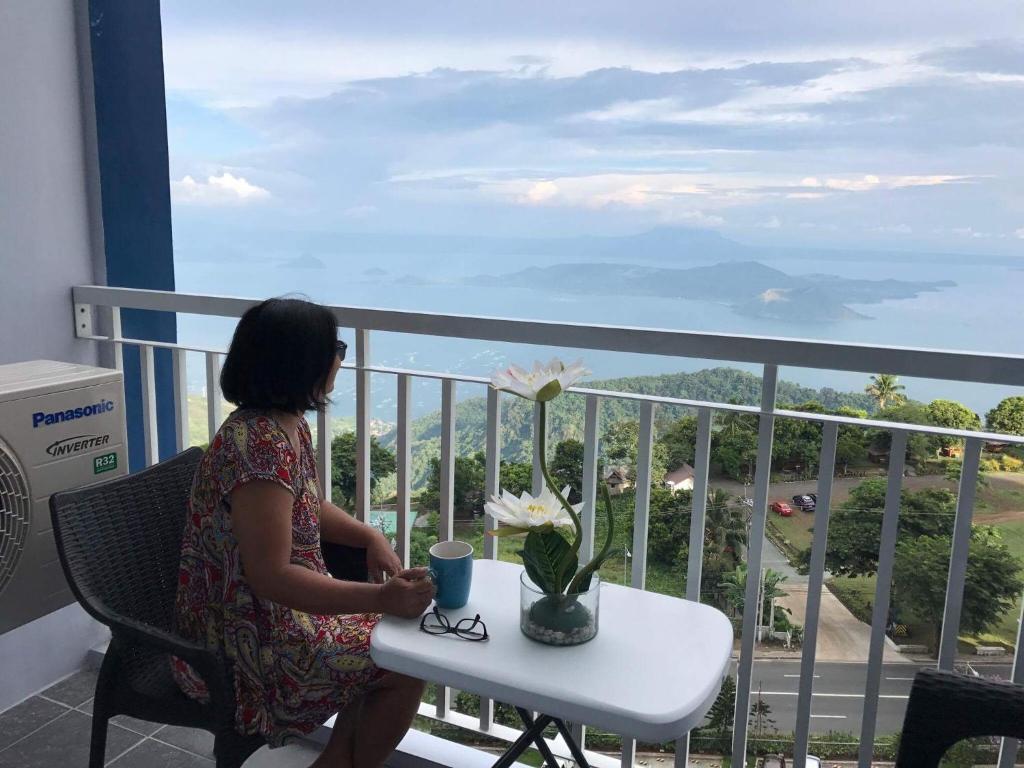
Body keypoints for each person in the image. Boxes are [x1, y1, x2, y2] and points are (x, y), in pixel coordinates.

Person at [173, 297, 434, 768]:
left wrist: (368, 536)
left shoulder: (284, 425)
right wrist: (380, 599)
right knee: (403, 663)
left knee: (394, 646)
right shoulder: (258, 448)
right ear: (301, 363)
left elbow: (304, 506)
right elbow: (271, 577)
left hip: (277, 616)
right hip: (248, 644)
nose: (339, 357)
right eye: (335, 347)